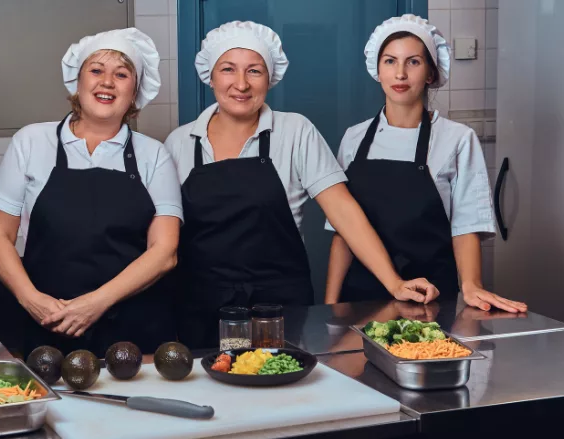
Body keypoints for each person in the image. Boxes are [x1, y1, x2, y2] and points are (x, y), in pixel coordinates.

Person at [164, 21, 437, 349]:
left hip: (279, 312)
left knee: (283, 392)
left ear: (270, 79)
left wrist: (394, 282)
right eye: (228, 69)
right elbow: (165, 240)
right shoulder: (179, 143)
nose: (241, 84)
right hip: (200, 310)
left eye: (254, 71)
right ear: (210, 75)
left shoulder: (295, 132)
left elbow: (343, 209)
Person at [0, 28, 183, 357]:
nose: (107, 82)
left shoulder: (154, 155)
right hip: (50, 323)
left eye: (121, 74)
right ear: (78, 82)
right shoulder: (32, 142)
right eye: (96, 70)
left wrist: (95, 304)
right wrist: (32, 300)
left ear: (134, 92)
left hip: (133, 334)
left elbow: (165, 251)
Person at [324, 15, 527, 313]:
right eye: (390, 62)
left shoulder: (457, 139)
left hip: (431, 299)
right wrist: (330, 305)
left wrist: (471, 285)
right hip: (360, 299)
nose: (400, 74)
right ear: (377, 70)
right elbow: (344, 231)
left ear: (431, 74)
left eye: (414, 62)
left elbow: (466, 224)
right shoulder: (354, 139)